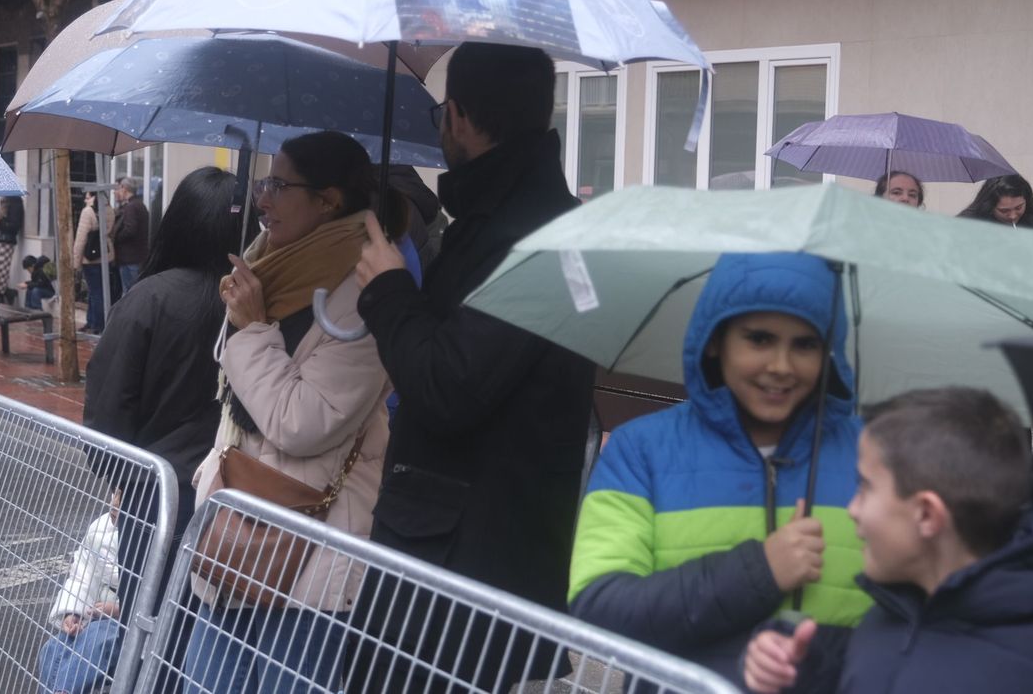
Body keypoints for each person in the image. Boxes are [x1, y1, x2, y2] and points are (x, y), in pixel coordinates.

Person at [347, 42, 596, 693]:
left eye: (441, 117)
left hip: (458, 579)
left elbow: (448, 384)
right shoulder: (507, 225)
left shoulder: (533, 238)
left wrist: (389, 291)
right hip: (468, 559)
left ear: (456, 117)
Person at [569, 252, 870, 684]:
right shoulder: (642, 450)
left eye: (805, 344)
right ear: (715, 340)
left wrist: (812, 663)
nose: (781, 366)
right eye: (759, 339)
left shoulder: (877, 457)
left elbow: (914, 616)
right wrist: (759, 572)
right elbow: (599, 608)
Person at [181, 132, 397, 694]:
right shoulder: (266, 266)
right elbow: (233, 382)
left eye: (279, 186)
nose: (263, 198)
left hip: (310, 556)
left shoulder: (366, 296)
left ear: (327, 200)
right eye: (264, 183)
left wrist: (253, 328)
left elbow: (301, 423)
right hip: (235, 531)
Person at [743, 387, 1033, 694]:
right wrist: (799, 666)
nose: (852, 509)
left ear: (927, 515)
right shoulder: (897, 610)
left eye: (865, 487)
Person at [84, 166, 241, 617]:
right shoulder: (255, 303)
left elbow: (109, 404)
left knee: (148, 626)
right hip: (237, 496)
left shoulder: (149, 299)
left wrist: (121, 476)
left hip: (156, 492)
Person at [38, 500, 124, 694]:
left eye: (123, 495)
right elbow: (82, 576)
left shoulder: (161, 531)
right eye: (115, 492)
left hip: (128, 620)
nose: (115, 501)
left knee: (95, 641)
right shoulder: (100, 529)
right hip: (98, 615)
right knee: (53, 648)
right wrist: (73, 613)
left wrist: (119, 610)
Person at [958, 173, 1033, 237]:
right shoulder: (969, 226)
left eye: (1019, 208)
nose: (1013, 216)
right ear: (989, 206)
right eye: (1004, 211)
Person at [73, 191, 108, 333]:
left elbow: (81, 238)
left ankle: (96, 324)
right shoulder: (108, 209)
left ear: (94, 197)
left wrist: (76, 262)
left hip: (90, 258)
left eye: (88, 197)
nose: (85, 201)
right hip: (105, 256)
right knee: (99, 291)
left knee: (94, 293)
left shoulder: (87, 212)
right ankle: (93, 322)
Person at [110, 177, 150, 296]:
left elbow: (130, 230)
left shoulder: (131, 207)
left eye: (119, 188)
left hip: (129, 258)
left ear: (124, 188)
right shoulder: (140, 205)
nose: (116, 192)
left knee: (129, 294)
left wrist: (115, 238)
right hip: (137, 257)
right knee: (135, 292)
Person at [0, 195, 24, 303]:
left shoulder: (15, 202)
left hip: (5, 242)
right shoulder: (4, 201)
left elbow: (14, 226)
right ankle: (3, 295)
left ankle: (1, 297)